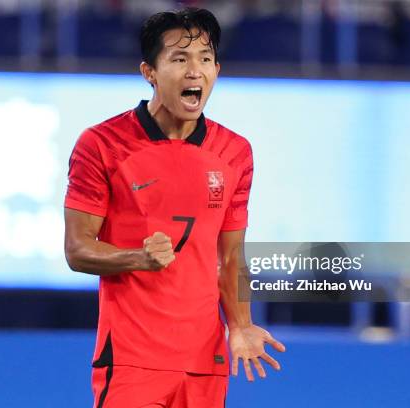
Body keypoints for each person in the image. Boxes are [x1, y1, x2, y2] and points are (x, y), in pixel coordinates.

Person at [64, 7, 285, 408]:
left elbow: (231, 255)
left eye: (204, 59)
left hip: (206, 360)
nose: (194, 71)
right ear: (149, 71)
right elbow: (78, 249)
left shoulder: (234, 152)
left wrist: (240, 324)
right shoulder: (101, 144)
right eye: (180, 59)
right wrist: (137, 257)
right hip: (132, 360)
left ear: (217, 69)